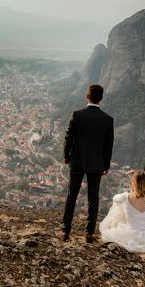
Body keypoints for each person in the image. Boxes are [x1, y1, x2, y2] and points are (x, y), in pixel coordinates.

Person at [61, 83, 114, 243]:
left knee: (72, 195)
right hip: (97, 163)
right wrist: (106, 165)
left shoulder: (77, 115)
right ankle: (89, 233)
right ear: (101, 99)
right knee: (93, 197)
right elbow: (108, 145)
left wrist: (66, 155)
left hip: (77, 161)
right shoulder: (107, 120)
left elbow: (69, 137)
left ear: (87, 96)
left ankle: (65, 231)